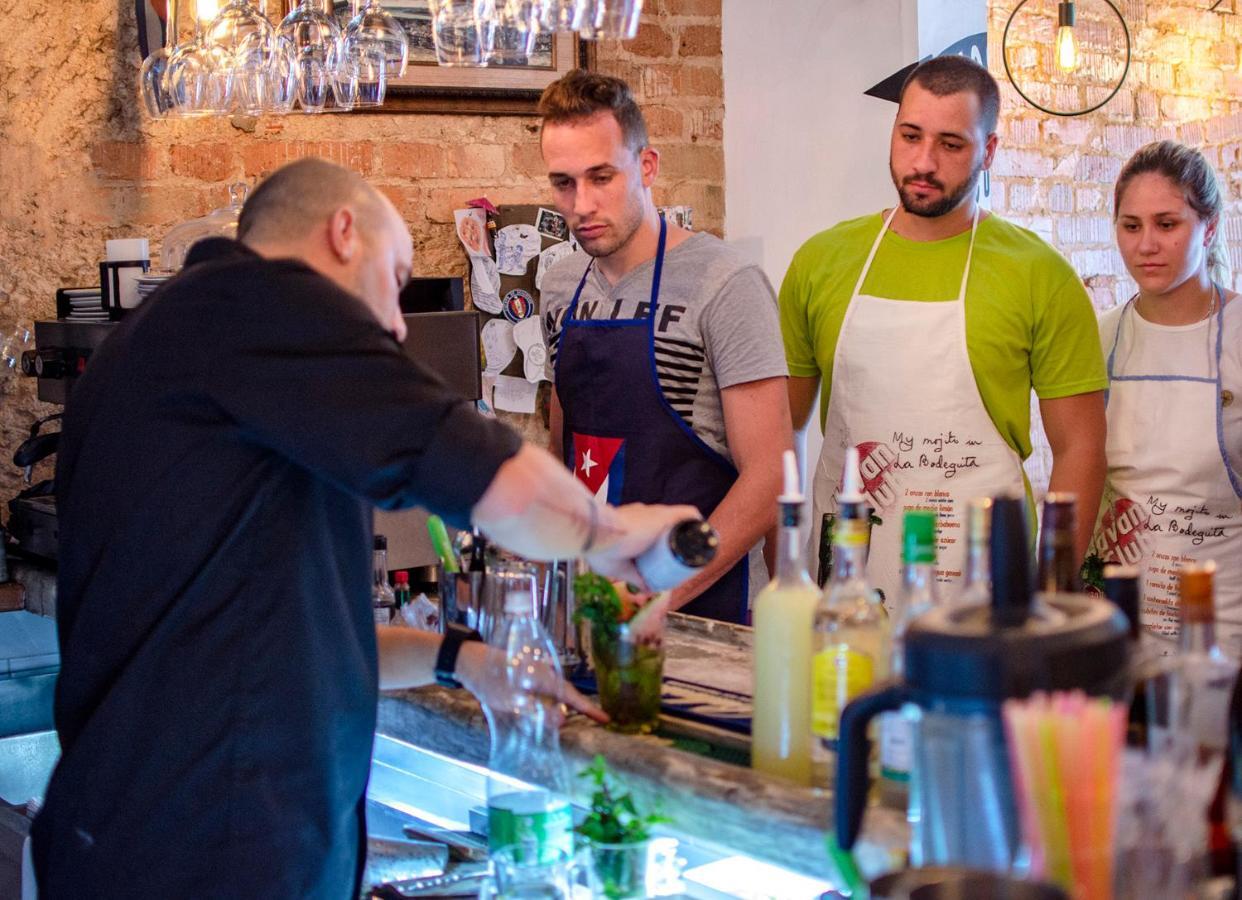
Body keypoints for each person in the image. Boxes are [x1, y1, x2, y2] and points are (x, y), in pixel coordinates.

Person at [32, 159, 697, 898]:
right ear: (344, 234)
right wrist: (610, 530)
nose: (398, 323)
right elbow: (479, 471)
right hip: (207, 853)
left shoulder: (168, 343)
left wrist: (465, 661)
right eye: (399, 275)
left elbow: (295, 634)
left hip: (139, 837)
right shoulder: (259, 307)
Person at [779, 55, 1108, 602]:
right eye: (910, 136)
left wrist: (1051, 590)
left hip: (989, 583)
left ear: (989, 151)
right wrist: (782, 560)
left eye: (951, 145)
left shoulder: (1039, 274)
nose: (923, 161)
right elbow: (781, 431)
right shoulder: (821, 261)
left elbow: (1082, 447)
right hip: (848, 574)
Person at [537, 70, 792, 625]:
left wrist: (663, 592)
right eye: (563, 183)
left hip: (707, 609)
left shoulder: (727, 283)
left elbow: (771, 474)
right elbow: (567, 445)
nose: (581, 204)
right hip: (597, 601)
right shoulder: (559, 285)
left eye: (602, 177)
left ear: (647, 167)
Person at [1092, 140, 1242, 652]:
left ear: (1211, 226)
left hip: (1221, 629)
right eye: (1131, 226)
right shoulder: (1100, 338)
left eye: (1167, 224)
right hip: (1117, 624)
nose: (1146, 244)